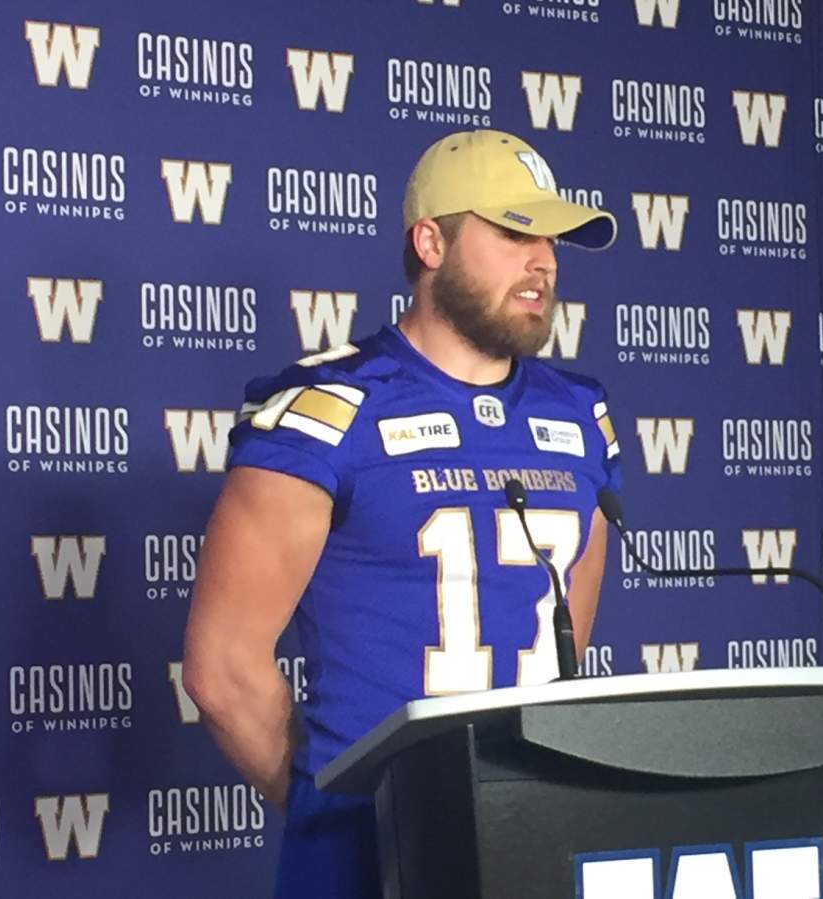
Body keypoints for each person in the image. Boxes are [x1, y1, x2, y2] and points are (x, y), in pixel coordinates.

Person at [182, 129, 622, 897]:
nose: (543, 261)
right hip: (368, 855)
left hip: (528, 836)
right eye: (515, 232)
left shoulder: (580, 414)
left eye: (552, 239)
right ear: (430, 242)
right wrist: (348, 806)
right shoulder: (331, 409)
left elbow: (565, 645)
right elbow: (222, 671)